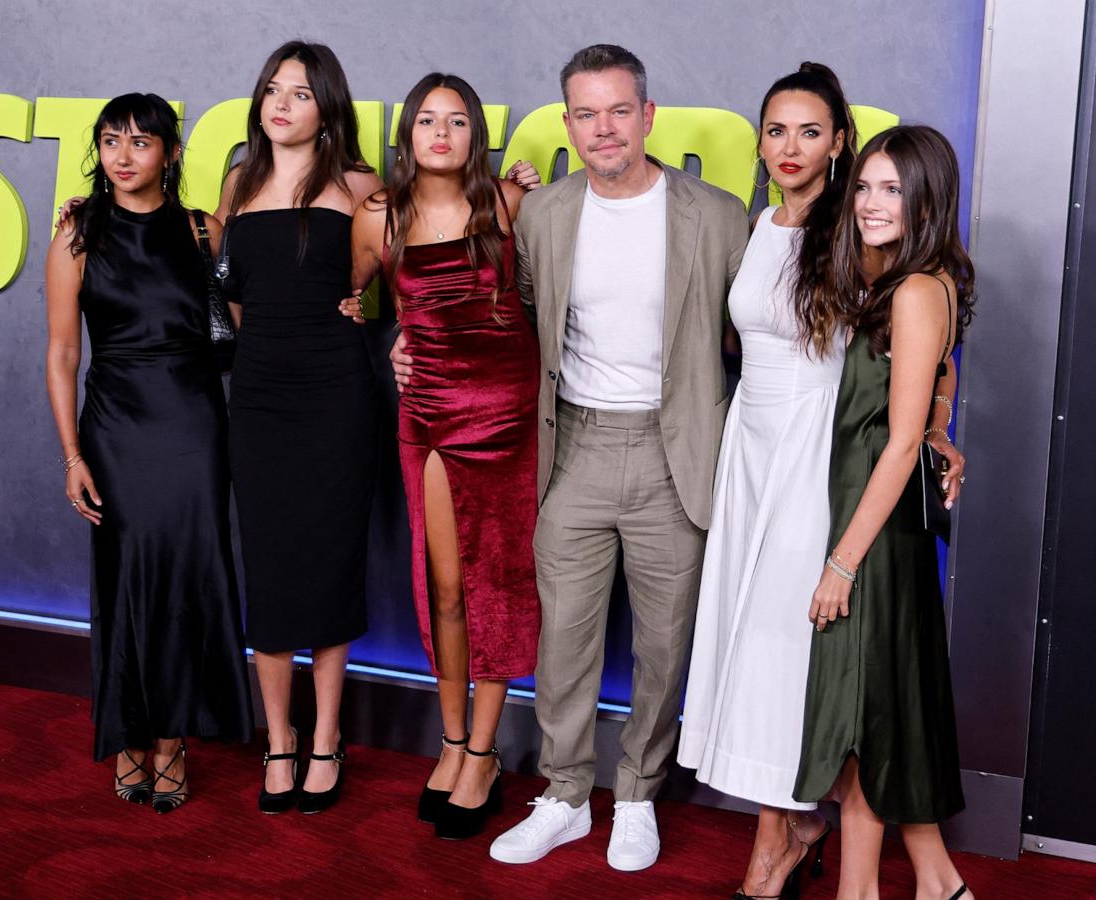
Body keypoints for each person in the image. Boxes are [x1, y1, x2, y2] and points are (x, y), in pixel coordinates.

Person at [396, 43, 747, 871]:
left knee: (663, 645)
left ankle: (636, 795)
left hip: (674, 449)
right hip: (572, 446)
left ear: (648, 116)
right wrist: (405, 352)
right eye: (585, 114)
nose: (603, 129)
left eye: (619, 110)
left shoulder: (720, 213)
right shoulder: (543, 215)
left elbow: (762, 329)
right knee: (563, 640)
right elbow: (495, 318)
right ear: (568, 125)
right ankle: (562, 793)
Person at [679, 65, 968, 900]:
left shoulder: (862, 231)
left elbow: (922, 351)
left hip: (821, 456)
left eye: (811, 131)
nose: (790, 147)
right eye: (776, 130)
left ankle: (786, 845)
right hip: (751, 448)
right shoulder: (754, 224)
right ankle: (905, 870)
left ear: (839, 140)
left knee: (803, 659)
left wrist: (937, 430)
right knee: (760, 645)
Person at [43, 92, 253, 815]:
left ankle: (171, 740)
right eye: (110, 141)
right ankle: (129, 733)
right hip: (114, 425)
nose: (124, 155)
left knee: (188, 579)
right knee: (126, 576)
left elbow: (244, 322)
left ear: (169, 151)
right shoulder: (78, 235)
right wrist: (72, 453)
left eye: (139, 141)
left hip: (193, 423)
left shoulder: (203, 230)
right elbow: (63, 350)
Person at [343, 72, 540, 841]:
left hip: (505, 413)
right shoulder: (376, 217)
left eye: (457, 121)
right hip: (427, 412)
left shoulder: (504, 202)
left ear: (473, 136)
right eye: (428, 119)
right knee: (446, 587)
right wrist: (387, 343)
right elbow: (347, 301)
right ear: (408, 133)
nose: (441, 133)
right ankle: (451, 739)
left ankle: (484, 753)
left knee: (497, 584)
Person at [794, 124, 977, 900]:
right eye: (864, 186)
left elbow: (898, 449)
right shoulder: (923, 282)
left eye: (891, 189)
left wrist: (841, 563)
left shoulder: (910, 289)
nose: (869, 202)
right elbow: (941, 377)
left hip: (872, 537)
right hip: (883, 529)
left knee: (863, 723)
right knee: (879, 714)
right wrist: (940, 425)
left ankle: (861, 892)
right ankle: (936, 885)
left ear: (926, 198)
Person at [214, 40, 382, 816]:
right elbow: (233, 299)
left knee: (329, 562)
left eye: (301, 93)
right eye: (272, 89)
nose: (281, 104)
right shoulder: (236, 183)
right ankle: (278, 739)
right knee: (272, 565)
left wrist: (362, 306)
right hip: (258, 395)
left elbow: (409, 273)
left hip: (335, 395)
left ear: (328, 109)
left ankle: (326, 738)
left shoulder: (359, 186)